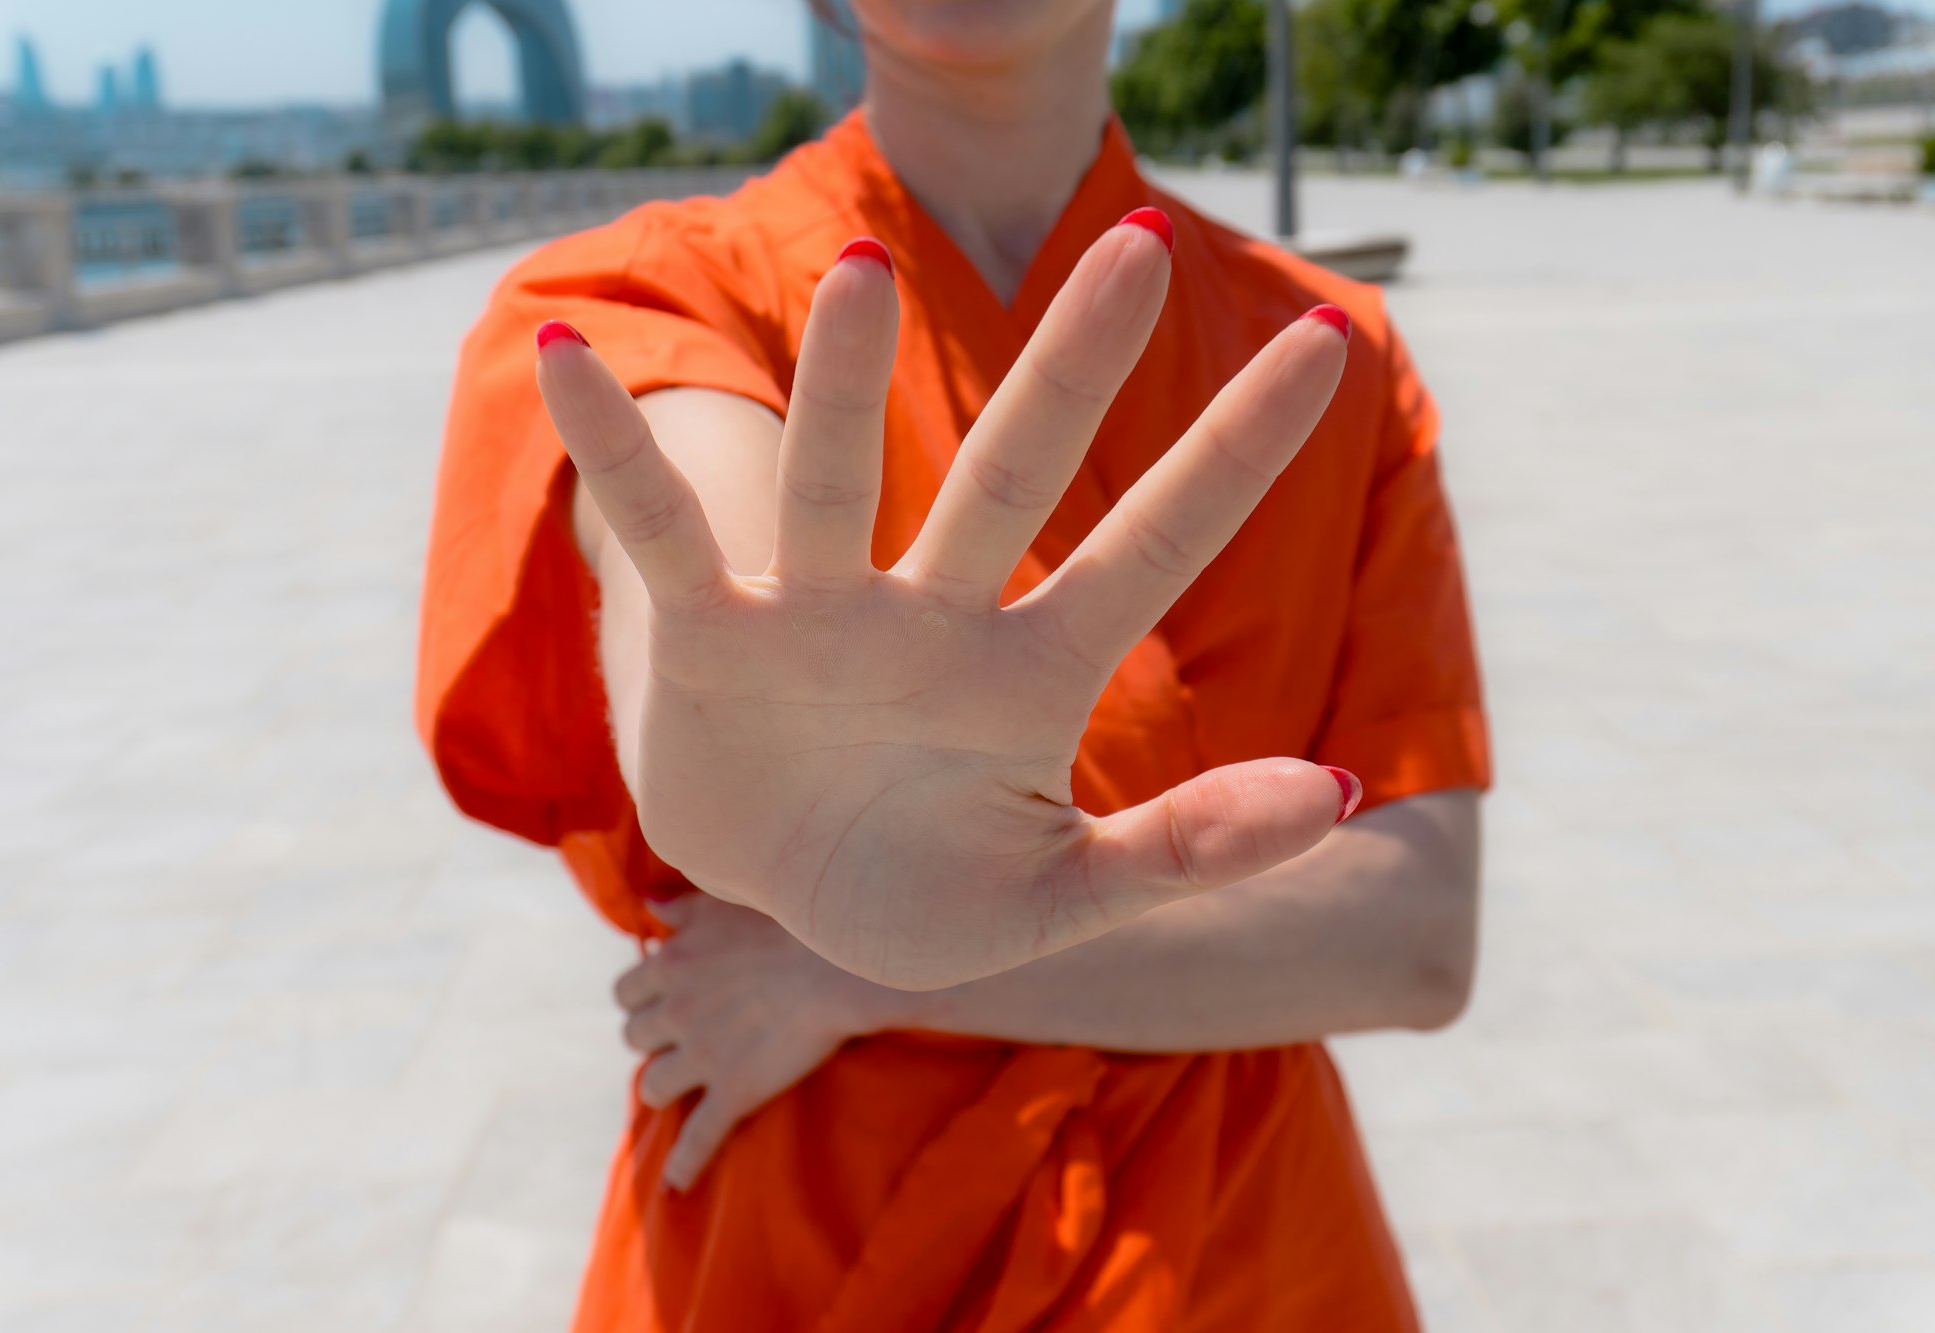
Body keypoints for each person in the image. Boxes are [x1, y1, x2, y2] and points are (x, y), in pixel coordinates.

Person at [417, 1, 1490, 1327]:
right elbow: (696, 549)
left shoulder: (1328, 357)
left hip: (1242, 1249)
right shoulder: (649, 300)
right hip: (807, 1245)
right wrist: (733, 696)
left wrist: (854, 972)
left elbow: (1416, 938)